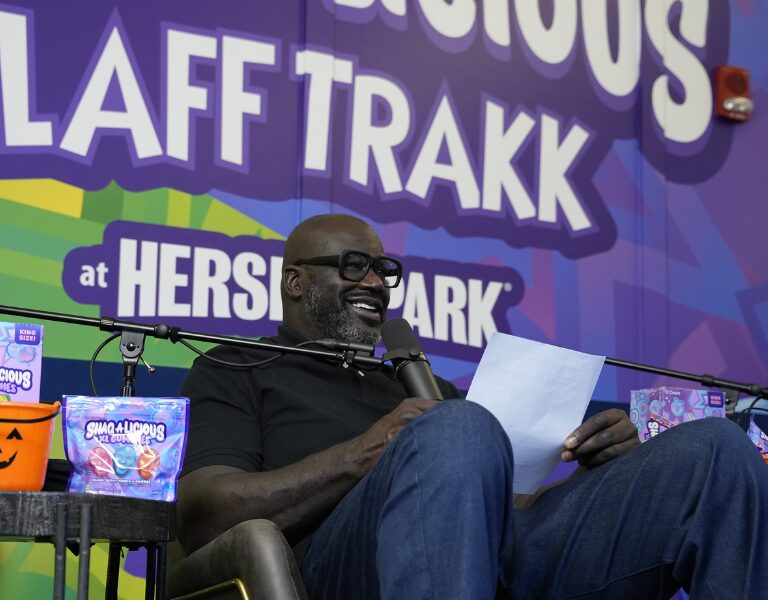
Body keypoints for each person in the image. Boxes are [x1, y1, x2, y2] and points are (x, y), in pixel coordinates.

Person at [177, 213, 768, 599]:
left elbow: (503, 507)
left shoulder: (419, 386)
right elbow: (205, 511)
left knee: (712, 452)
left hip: (490, 558)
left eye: (384, 271)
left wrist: (597, 474)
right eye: (353, 267)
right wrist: (371, 451)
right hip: (343, 572)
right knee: (453, 431)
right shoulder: (236, 368)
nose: (376, 284)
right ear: (296, 281)